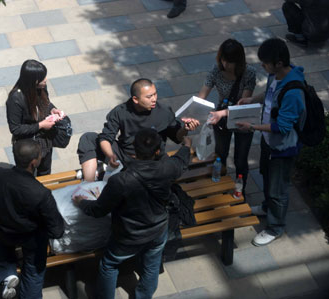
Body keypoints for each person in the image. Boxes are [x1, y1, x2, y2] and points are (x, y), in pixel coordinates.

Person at [73, 128, 192, 299]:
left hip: (128, 235)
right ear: (158, 151)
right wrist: (186, 146)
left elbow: (98, 210)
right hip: (158, 231)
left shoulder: (120, 180)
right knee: (151, 266)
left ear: (134, 151)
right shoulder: (168, 168)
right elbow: (181, 161)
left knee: (109, 265)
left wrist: (82, 202)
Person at [0, 139, 64, 299]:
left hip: (4, 230)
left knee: (1, 248)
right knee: (33, 273)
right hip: (32, 240)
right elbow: (57, 230)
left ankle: (7, 274)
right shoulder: (41, 194)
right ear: (34, 163)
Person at [236, 38, 306, 246]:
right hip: (269, 141)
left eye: (265, 63)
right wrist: (252, 99)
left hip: (282, 147)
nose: (262, 66)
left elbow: (283, 127)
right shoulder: (274, 76)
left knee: (278, 189)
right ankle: (267, 207)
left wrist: (253, 128)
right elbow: (268, 94)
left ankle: (275, 227)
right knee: (266, 175)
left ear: (278, 63)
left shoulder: (293, 92)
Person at [77, 78, 199, 182]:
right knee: (88, 138)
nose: (154, 99)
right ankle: (89, 184)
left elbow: (176, 137)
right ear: (135, 99)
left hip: (152, 159)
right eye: (149, 96)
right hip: (125, 155)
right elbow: (106, 137)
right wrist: (110, 155)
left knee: (169, 173)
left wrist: (184, 129)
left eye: (155, 94)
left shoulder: (164, 111)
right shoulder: (120, 112)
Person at [199, 39, 257, 194]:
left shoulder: (249, 73)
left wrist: (221, 113)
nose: (226, 64)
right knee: (220, 154)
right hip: (222, 119)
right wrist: (194, 111)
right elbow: (202, 96)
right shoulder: (215, 70)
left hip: (242, 119)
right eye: (223, 60)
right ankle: (220, 186)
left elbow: (242, 107)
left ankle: (240, 188)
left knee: (240, 158)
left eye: (230, 61)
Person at [6, 59, 65, 176]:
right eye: (42, 78)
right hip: (27, 146)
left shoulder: (41, 88)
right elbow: (15, 128)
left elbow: (45, 103)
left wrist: (52, 109)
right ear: (33, 81)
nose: (45, 80)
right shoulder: (15, 99)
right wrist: (41, 125)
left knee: (45, 171)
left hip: (44, 141)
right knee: (26, 176)